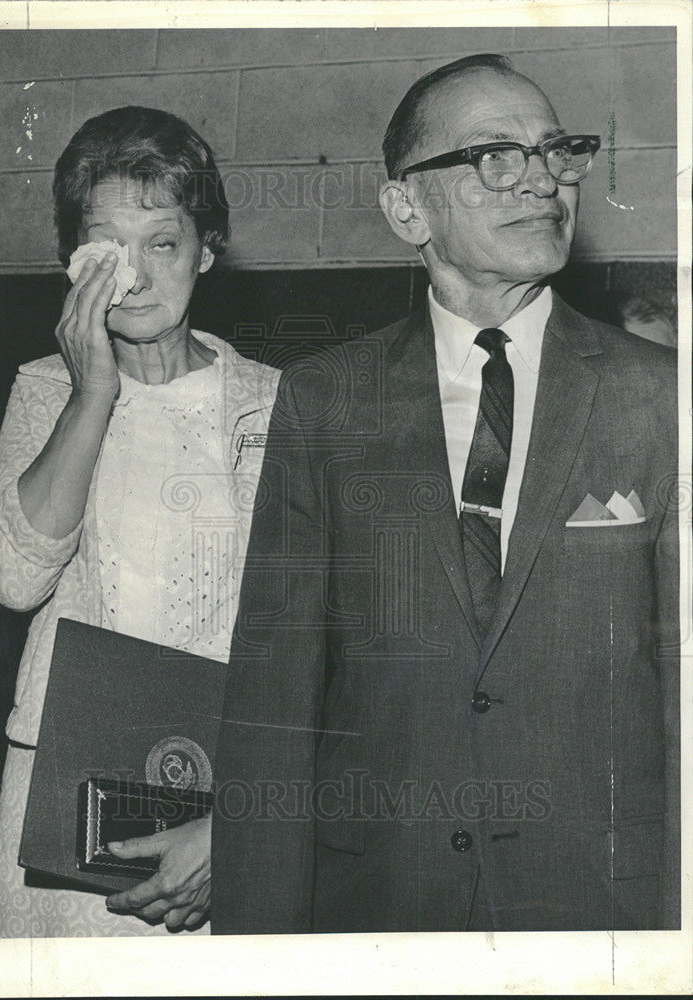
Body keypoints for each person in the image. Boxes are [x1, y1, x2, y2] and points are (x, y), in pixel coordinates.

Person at [211, 54, 680, 932]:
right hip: (382, 902)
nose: (539, 180)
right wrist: (257, 953)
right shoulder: (324, 401)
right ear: (405, 209)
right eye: (494, 157)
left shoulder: (659, 396)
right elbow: (274, 700)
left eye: (554, 152)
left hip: (598, 909)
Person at [0, 106, 280, 937]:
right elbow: (11, 575)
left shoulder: (276, 404)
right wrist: (93, 391)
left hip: (221, 804)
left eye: (163, 244)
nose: (134, 278)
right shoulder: (45, 389)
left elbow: (307, 639)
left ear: (207, 251)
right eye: (109, 249)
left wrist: (243, 821)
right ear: (72, 262)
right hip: (61, 798)